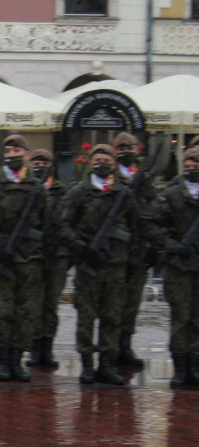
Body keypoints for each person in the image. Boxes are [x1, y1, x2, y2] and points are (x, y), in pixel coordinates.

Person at [60, 144, 140, 385]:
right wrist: (82, 248)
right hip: (88, 267)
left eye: (106, 159)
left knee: (112, 317)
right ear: (90, 162)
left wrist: (133, 263)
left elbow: (135, 229)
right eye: (97, 159)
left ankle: (106, 363)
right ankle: (87, 364)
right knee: (86, 316)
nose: (101, 163)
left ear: (114, 164)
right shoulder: (79, 192)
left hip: (115, 266)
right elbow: (63, 226)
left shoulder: (123, 194)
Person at [0, 134, 46, 382]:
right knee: (1, 311)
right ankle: (4, 361)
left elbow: (48, 224)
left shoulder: (37, 187)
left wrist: (35, 250)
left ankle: (18, 360)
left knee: (26, 312)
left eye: (18, 152)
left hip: (29, 261)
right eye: (9, 152)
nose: (13, 156)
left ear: (26, 155)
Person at [144, 147, 199, 386]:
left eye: (196, 165)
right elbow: (150, 223)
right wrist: (172, 246)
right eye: (188, 166)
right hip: (179, 267)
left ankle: (195, 367)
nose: (192, 169)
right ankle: (179, 367)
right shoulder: (172, 195)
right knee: (180, 318)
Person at [112, 132, 155, 367]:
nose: (126, 151)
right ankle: (110, 348)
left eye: (130, 147)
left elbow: (152, 213)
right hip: (117, 251)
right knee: (113, 302)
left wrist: (152, 247)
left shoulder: (144, 178)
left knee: (132, 301)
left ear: (137, 150)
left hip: (139, 249)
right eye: (121, 147)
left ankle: (125, 345)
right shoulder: (109, 178)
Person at [25, 149, 67, 368]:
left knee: (50, 305)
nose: (40, 166)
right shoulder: (26, 189)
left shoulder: (61, 191)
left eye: (44, 162)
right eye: (36, 162)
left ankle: (47, 348)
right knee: (34, 303)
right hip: (33, 254)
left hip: (57, 256)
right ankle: (34, 348)